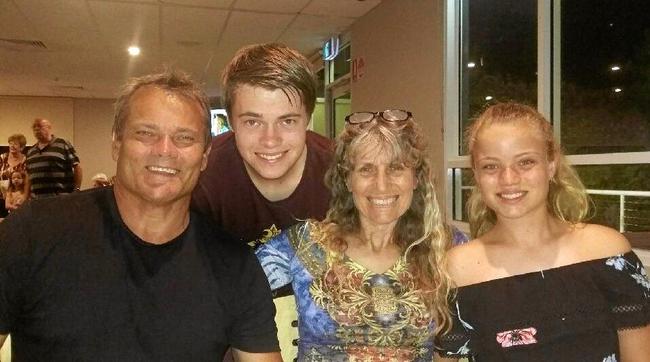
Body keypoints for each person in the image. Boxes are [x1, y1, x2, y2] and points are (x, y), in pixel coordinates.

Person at [0, 70, 281, 361]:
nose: (164, 150)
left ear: (205, 156)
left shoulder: (235, 266)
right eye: (146, 133)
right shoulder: (34, 233)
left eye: (184, 138)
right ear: (116, 143)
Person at [437, 102, 650, 361]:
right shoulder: (459, 269)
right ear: (477, 175)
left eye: (525, 162)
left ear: (551, 165)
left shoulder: (608, 253)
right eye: (491, 166)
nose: (508, 178)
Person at [255, 109, 466, 360]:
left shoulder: (448, 247)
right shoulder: (303, 245)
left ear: (416, 178)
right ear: (347, 179)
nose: (381, 185)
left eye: (396, 168)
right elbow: (229, 287)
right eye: (366, 170)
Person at [192, 42, 333, 360]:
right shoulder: (203, 180)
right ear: (230, 121)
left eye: (287, 121)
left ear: (308, 118)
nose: (271, 140)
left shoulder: (344, 176)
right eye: (252, 121)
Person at [25, 118, 82, 198]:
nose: (37, 130)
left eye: (40, 126)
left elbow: (77, 167)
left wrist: (77, 189)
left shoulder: (63, 144)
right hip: (38, 200)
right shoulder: (31, 152)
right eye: (34, 128)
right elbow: (28, 177)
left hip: (61, 197)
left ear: (49, 128)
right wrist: (25, 198)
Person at [0, 134, 27, 217]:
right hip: (1, 197)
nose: (12, 146)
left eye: (15, 144)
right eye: (10, 143)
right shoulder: (2, 158)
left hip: (17, 198)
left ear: (21, 147)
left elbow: (27, 181)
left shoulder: (26, 160)